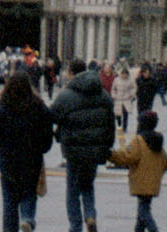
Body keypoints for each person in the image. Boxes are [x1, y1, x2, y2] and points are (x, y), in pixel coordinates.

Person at [50, 58, 115, 232]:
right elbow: (111, 124)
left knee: (72, 190)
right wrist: (107, 147)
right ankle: (91, 215)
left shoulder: (66, 96)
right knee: (87, 186)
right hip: (95, 150)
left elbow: (51, 116)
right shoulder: (103, 95)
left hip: (73, 150)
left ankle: (75, 226)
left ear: (71, 73)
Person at [0, 70, 54, 232]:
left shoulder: (2, 110)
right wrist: (42, 149)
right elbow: (47, 133)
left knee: (9, 199)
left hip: (7, 159)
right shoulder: (39, 108)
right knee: (29, 192)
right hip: (32, 158)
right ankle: (27, 219)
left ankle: (10, 229)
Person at [108, 106, 167, 232]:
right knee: (143, 210)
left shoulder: (138, 141)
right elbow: (164, 162)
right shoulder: (158, 142)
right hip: (153, 182)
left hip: (140, 181)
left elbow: (128, 157)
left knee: (144, 213)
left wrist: (110, 155)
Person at [111, 64, 134, 133]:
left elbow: (133, 88)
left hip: (126, 99)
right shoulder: (116, 80)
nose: (124, 75)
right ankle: (119, 126)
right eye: (123, 74)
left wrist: (131, 95)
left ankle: (125, 127)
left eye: (125, 74)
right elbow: (113, 88)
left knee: (125, 114)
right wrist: (114, 95)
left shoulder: (130, 81)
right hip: (118, 99)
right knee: (118, 114)